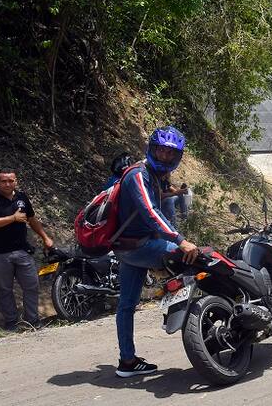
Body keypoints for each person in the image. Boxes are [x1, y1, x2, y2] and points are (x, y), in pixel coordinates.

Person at [113, 126, 198, 378]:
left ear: (177, 156)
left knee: (126, 305)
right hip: (137, 247)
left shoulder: (152, 175)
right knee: (197, 258)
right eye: (160, 150)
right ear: (151, 149)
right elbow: (151, 213)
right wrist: (180, 240)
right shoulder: (138, 174)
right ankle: (201, 313)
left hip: (130, 248)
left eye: (170, 153)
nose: (164, 156)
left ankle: (127, 362)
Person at [0, 168, 55, 330]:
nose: (7, 184)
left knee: (32, 285)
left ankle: (32, 321)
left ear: (16, 181)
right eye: (3, 181)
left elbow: (32, 219)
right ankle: (12, 322)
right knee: (4, 289)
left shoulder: (22, 198)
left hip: (22, 250)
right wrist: (13, 218)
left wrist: (45, 237)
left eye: (11, 180)